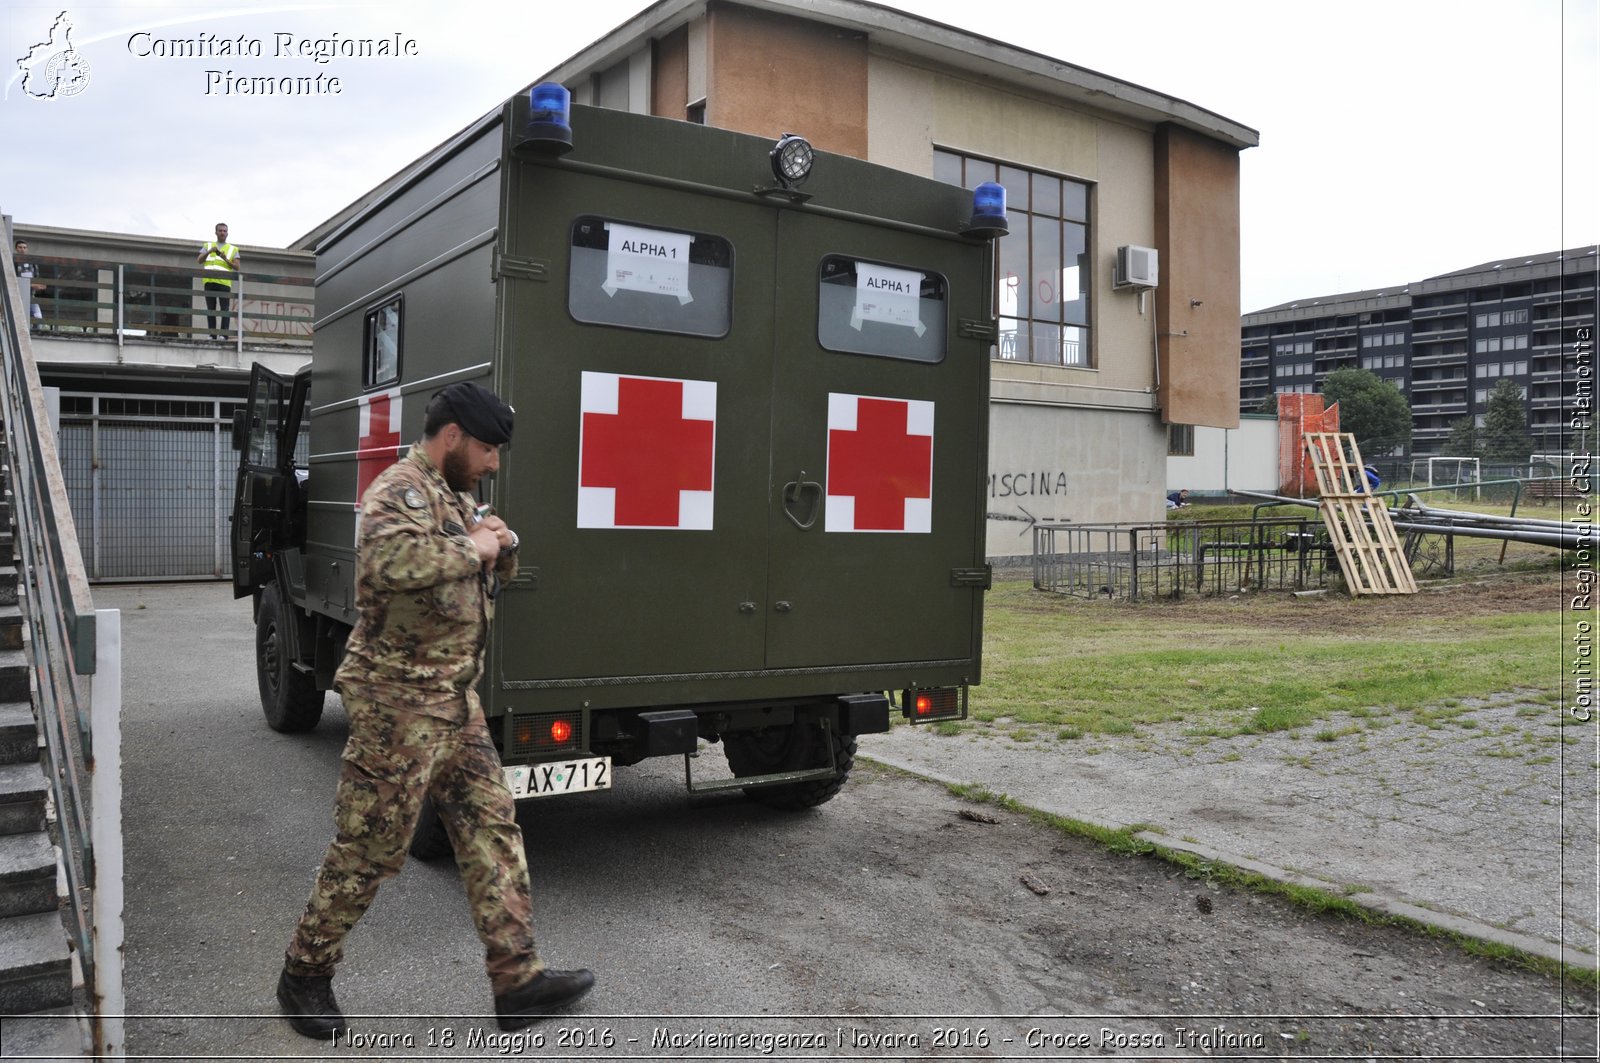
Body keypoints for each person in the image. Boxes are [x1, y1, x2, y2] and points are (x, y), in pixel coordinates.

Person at [276, 382, 594, 1039]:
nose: (494, 462)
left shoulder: (457, 494)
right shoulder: (398, 488)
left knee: (491, 824)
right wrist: (472, 546)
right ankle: (304, 973)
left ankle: (518, 981)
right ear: (451, 437)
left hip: (452, 697)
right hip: (397, 698)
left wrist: (501, 547)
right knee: (370, 843)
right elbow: (387, 563)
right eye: (486, 448)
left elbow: (475, 576)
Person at [195, 222, 240, 339]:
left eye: (224, 231)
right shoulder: (207, 246)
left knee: (224, 309)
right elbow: (199, 260)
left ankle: (224, 334)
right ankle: (212, 335)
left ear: (227, 233)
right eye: (220, 230)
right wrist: (209, 252)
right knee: (211, 309)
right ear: (216, 232)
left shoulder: (233, 249)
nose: (222, 233)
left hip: (224, 283)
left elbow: (237, 266)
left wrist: (225, 258)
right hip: (209, 281)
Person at [13, 240, 43, 328]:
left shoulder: (32, 263)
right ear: (16, 249)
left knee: (38, 318)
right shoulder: (13, 262)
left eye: (24, 248)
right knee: (20, 320)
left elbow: (36, 277)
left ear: (27, 249)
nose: (22, 249)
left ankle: (34, 335)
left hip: (31, 296)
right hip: (17, 296)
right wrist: (33, 285)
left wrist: (38, 285)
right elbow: (13, 281)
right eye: (20, 247)